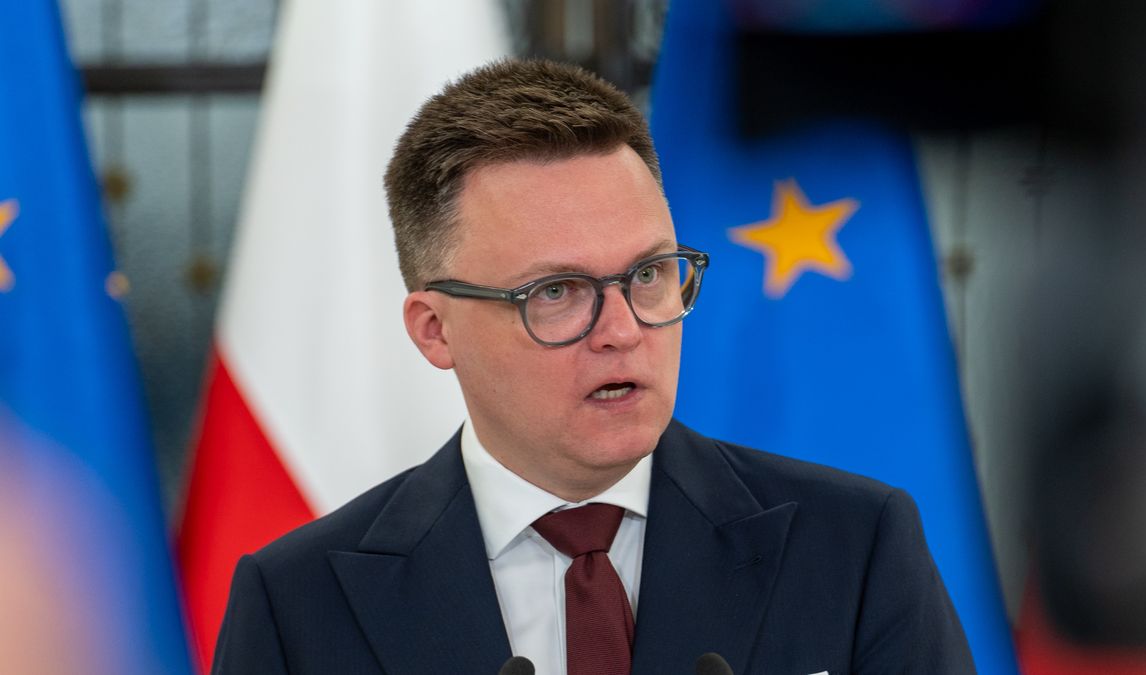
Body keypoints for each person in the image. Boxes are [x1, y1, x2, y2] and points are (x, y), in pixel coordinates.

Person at [213, 59, 974, 675]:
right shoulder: (299, 603)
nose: (621, 330)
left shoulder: (854, 547)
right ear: (435, 330)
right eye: (557, 292)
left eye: (648, 274)